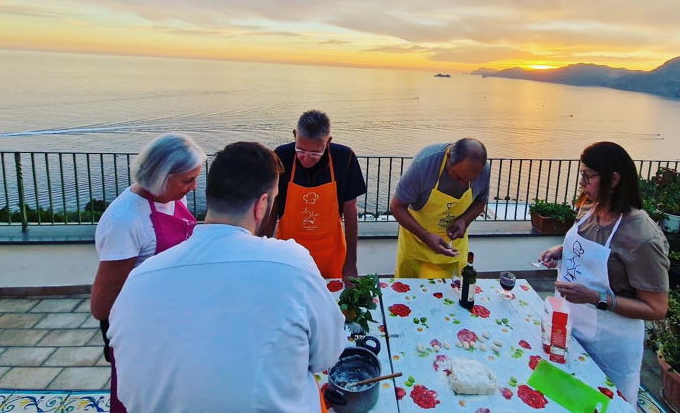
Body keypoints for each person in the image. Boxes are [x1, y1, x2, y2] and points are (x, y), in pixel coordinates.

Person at [108, 142, 345, 413]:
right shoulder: (292, 263)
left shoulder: (139, 280)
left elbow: (128, 389)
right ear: (261, 205)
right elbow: (328, 353)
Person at [537, 141, 669, 406]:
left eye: (588, 176)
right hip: (569, 326)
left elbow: (657, 308)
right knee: (563, 399)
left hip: (609, 343)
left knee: (599, 404)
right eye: (581, 174)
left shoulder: (641, 236)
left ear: (614, 179)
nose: (581, 183)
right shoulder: (589, 209)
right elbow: (589, 249)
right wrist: (560, 250)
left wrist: (595, 297)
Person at [90, 133, 205, 413]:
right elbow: (102, 305)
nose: (194, 187)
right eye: (188, 180)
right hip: (138, 324)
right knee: (139, 395)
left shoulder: (172, 198)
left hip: (169, 316)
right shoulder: (125, 221)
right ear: (162, 176)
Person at [261, 110, 366, 280]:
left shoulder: (344, 158)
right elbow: (273, 207)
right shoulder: (281, 156)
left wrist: (351, 264)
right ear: (295, 135)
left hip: (331, 252)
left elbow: (350, 210)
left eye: (316, 153)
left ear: (328, 142)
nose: (307, 158)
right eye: (301, 150)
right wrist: (263, 251)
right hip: (289, 251)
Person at [391, 138, 491, 278]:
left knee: (453, 293)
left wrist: (464, 221)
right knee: (409, 292)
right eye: (457, 176)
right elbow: (396, 207)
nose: (463, 182)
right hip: (417, 243)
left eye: (470, 179)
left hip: (454, 246)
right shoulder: (424, 164)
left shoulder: (484, 170)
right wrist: (426, 236)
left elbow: (481, 200)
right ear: (448, 156)